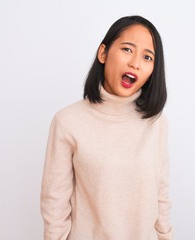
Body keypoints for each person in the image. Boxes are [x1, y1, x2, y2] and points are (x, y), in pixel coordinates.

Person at [40, 15, 173, 240]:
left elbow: (161, 197)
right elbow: (55, 207)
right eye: (127, 49)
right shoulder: (67, 121)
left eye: (147, 57)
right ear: (103, 53)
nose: (136, 63)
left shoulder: (156, 122)